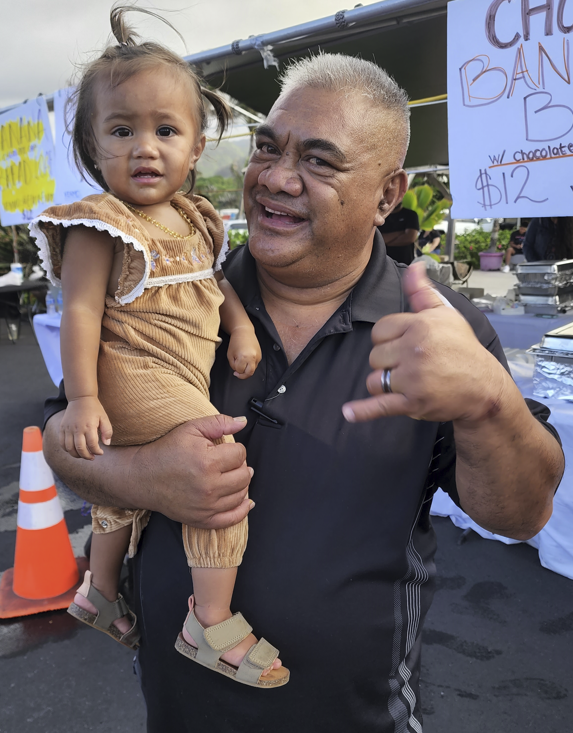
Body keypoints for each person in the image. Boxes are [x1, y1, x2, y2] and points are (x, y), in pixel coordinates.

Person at [43, 53, 563, 732]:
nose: (276, 179)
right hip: (177, 711)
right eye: (267, 148)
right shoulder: (181, 287)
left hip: (352, 717)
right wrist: (140, 474)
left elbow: (520, 514)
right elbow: (63, 438)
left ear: (386, 195)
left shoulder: (436, 329)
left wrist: (488, 405)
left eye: (319, 161)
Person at [30, 7, 287, 688]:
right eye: (121, 130)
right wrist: (82, 398)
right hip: (131, 373)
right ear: (91, 144)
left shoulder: (196, 218)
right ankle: (209, 618)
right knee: (212, 468)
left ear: (196, 147)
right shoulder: (99, 225)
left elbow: (214, 284)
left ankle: (100, 590)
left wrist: (238, 326)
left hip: (177, 374)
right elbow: (79, 311)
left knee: (131, 490)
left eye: (165, 130)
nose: (145, 147)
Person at [380, 201, 419, 265]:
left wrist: (386, 242)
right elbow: (379, 238)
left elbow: (410, 238)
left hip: (405, 263)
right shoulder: (381, 217)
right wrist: (401, 233)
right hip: (384, 263)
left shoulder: (411, 215)